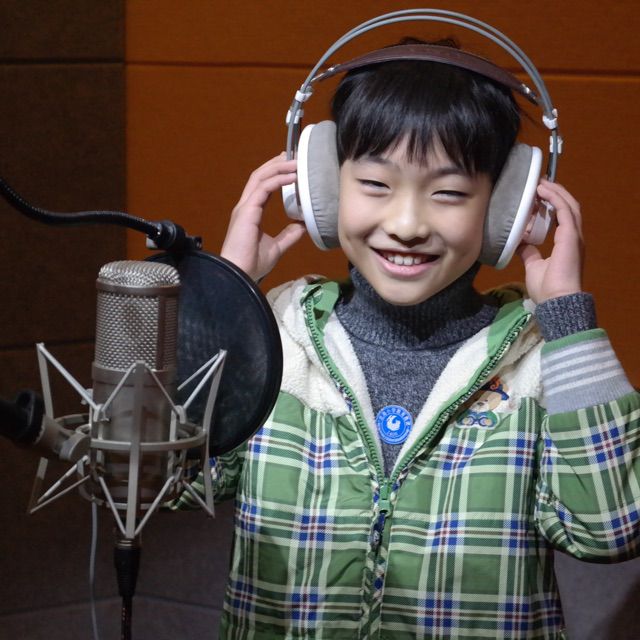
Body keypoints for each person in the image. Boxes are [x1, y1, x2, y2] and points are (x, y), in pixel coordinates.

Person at [177, 38, 639, 640]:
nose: (407, 225)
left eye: (448, 193)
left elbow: (611, 528)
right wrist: (226, 294)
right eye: (375, 183)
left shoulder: (540, 361)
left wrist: (567, 321)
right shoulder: (276, 336)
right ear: (320, 188)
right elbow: (165, 479)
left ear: (509, 207)